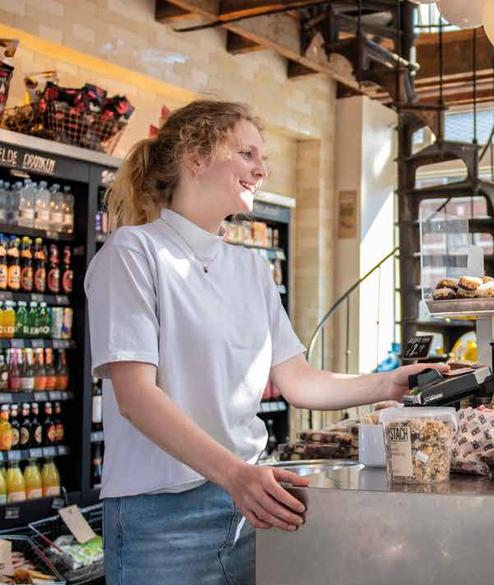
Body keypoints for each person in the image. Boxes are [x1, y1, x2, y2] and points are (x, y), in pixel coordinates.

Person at [86, 100, 444, 585]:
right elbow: (135, 397)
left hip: (250, 504)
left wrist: (391, 385)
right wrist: (234, 475)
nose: (262, 169)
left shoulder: (251, 269)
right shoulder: (133, 252)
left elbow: (299, 382)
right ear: (196, 157)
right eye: (247, 153)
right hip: (162, 515)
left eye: (263, 158)